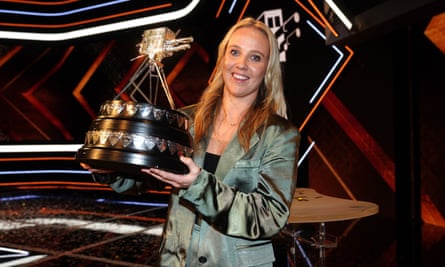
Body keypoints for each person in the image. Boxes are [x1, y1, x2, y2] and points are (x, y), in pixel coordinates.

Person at [83, 17, 300, 267]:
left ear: (267, 69)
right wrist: (111, 170)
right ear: (222, 59)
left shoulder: (280, 135)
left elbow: (270, 216)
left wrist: (198, 185)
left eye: (255, 57)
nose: (241, 64)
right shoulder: (184, 120)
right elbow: (145, 176)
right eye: (235, 52)